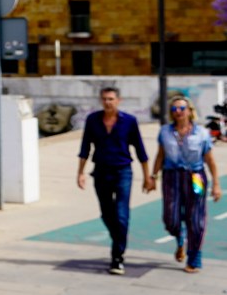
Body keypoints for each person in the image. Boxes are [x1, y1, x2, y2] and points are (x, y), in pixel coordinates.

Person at [77, 86, 149, 275]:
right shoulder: (93, 120)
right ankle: (118, 238)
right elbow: (85, 147)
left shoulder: (129, 122)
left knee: (121, 214)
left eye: (111, 99)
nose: (107, 102)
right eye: (104, 99)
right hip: (101, 172)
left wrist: (147, 177)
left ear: (119, 100)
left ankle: (117, 257)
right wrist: (80, 172)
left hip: (123, 171)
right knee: (107, 214)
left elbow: (140, 151)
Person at [144, 96, 221, 273]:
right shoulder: (165, 131)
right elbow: (160, 155)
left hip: (196, 177)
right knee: (170, 218)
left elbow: (210, 160)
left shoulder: (201, 133)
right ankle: (180, 237)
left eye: (181, 108)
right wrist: (153, 177)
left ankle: (194, 258)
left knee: (196, 219)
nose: (178, 112)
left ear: (189, 110)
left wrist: (216, 184)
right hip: (171, 177)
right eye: (174, 109)